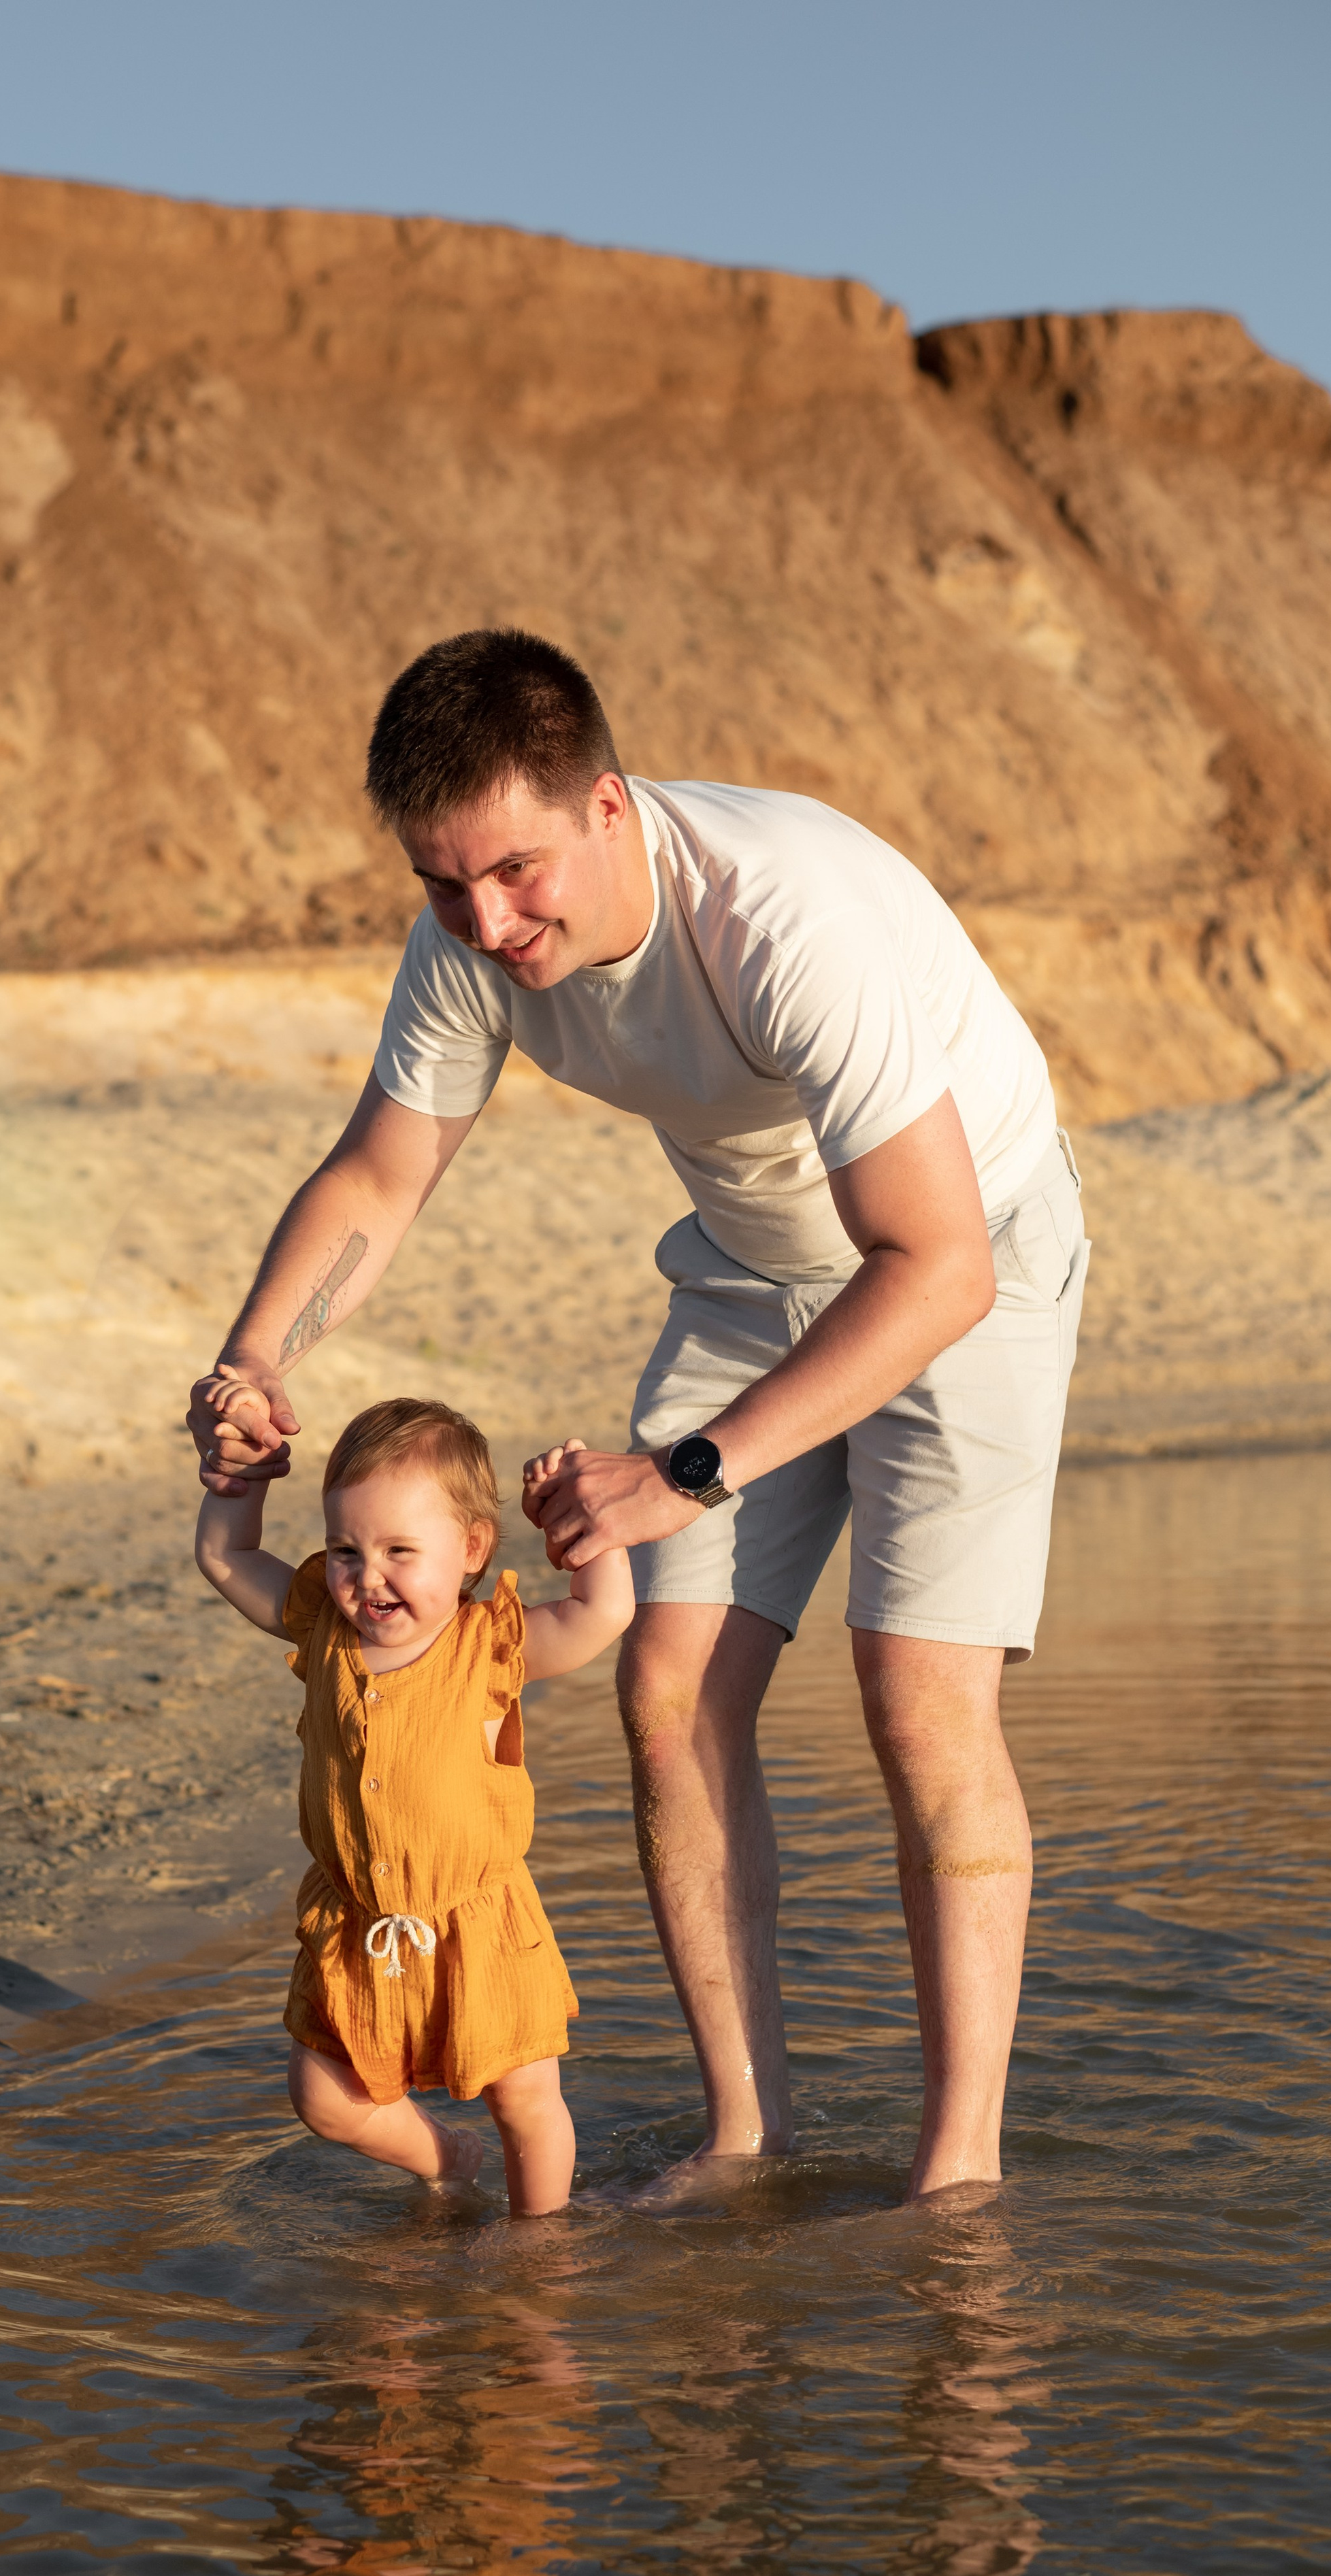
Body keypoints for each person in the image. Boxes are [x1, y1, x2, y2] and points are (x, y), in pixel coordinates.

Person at [191, 630, 1088, 2201]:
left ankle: (957, 2181)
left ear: (607, 807)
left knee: (914, 1699)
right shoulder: (469, 944)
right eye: (443, 884)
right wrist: (251, 1361)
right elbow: (381, 1175)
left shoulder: (779, 918)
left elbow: (935, 1266)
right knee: (664, 1688)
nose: (488, 922)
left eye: (515, 872)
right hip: (749, 1269)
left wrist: (681, 1473)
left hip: (971, 1256)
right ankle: (743, 2135)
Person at [195, 1392, 634, 2215]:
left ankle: (539, 2247)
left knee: (524, 2101)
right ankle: (447, 2157)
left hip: (480, 1926)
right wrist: (241, 1480)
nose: (369, 1576)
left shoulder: (489, 1647)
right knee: (325, 2100)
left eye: (400, 1550)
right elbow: (226, 1556)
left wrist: (581, 1515)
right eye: (345, 1549)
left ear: (471, 1548)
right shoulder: (321, 1627)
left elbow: (602, 1611)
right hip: (358, 1926)